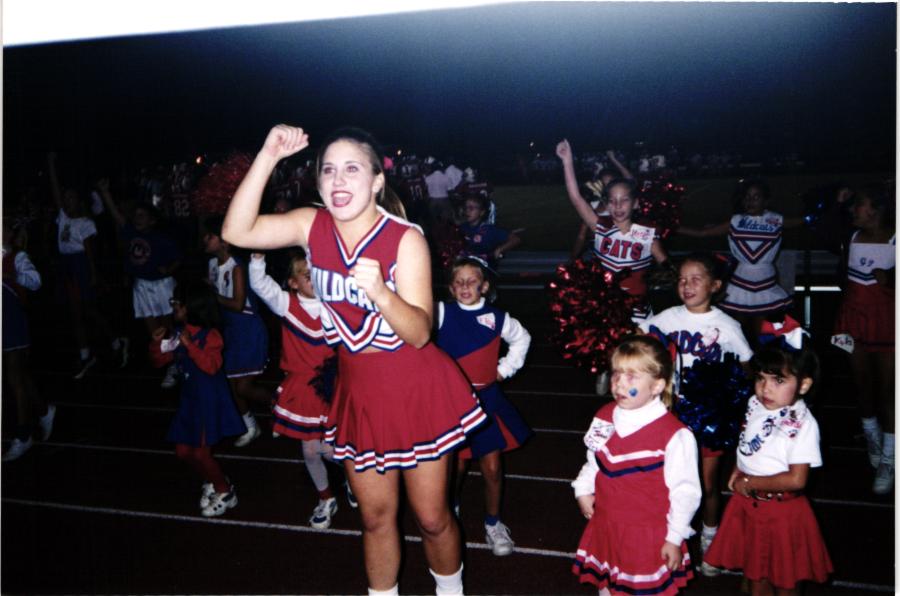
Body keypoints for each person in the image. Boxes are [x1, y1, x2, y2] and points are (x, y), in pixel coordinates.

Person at [222, 124, 487, 595]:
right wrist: (268, 155)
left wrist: (381, 293)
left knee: (431, 518)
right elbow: (236, 231)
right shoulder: (312, 225)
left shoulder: (405, 238)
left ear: (377, 181)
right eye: (328, 170)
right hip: (359, 392)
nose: (338, 180)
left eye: (351, 169)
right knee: (375, 518)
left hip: (415, 389)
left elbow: (420, 332)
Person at [639, 253, 754, 575]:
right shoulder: (667, 318)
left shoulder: (727, 325)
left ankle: (710, 538)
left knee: (706, 483)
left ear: (715, 286)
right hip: (671, 413)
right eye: (681, 280)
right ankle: (669, 536)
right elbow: (641, 343)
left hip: (710, 417)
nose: (686, 285)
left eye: (695, 279)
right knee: (667, 480)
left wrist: (729, 394)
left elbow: (747, 366)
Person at [704, 323, 833, 594]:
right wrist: (738, 468)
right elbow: (748, 439)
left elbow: (797, 479)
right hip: (749, 503)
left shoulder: (803, 423)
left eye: (778, 381)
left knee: (786, 581)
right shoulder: (756, 403)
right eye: (760, 378)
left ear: (804, 385)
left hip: (781, 513)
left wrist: (750, 482)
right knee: (755, 577)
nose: (765, 389)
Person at [571, 335, 701, 595]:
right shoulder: (604, 416)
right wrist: (583, 488)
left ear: (657, 385)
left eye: (632, 376)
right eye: (616, 373)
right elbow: (594, 459)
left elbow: (686, 492)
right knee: (607, 587)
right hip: (608, 525)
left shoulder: (675, 435)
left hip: (646, 535)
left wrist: (674, 537)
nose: (619, 383)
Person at [249, 250, 357, 529]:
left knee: (333, 450)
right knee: (310, 451)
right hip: (303, 388)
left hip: (334, 385)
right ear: (293, 283)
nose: (315, 280)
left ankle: (353, 478)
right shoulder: (286, 303)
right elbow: (260, 285)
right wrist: (257, 259)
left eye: (317, 274)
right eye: (307, 275)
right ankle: (326, 498)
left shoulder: (335, 303)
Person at [436, 256, 532, 557]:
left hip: (487, 400)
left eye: (472, 281)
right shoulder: (441, 312)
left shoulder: (497, 317)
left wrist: (504, 369)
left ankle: (493, 523)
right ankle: (451, 507)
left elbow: (522, 338)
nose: (465, 286)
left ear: (485, 286)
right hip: (453, 403)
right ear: (451, 288)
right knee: (456, 465)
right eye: (459, 282)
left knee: (492, 467)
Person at [149, 281, 245, 517]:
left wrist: (190, 346)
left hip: (208, 402)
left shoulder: (211, 336)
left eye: (177, 303)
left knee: (202, 453)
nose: (173, 306)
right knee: (183, 451)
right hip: (190, 401)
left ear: (192, 307)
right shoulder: (180, 332)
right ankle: (211, 480)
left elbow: (211, 366)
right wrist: (156, 343)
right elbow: (160, 361)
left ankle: (225, 492)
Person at [677, 178, 801, 347]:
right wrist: (672, 227)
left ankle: (759, 361)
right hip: (741, 281)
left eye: (756, 197)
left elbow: (802, 221)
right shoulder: (735, 221)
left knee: (761, 335)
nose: (750, 201)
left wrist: (821, 213)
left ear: (766, 201)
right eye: (747, 197)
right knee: (736, 332)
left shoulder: (775, 219)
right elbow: (702, 233)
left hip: (765, 282)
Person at [830, 183, 895, 494]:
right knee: (862, 386)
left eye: (860, 204)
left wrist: (892, 278)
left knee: (889, 392)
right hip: (852, 322)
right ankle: (872, 438)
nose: (855, 210)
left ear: (877, 209)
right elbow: (827, 232)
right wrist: (838, 204)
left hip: (887, 323)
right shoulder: (852, 236)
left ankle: (890, 457)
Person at [47, 152, 126, 378]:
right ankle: (85, 354)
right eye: (65, 198)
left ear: (79, 201)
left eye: (71, 198)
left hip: (80, 264)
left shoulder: (85, 222)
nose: (66, 201)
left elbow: (90, 252)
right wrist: (51, 165)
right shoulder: (63, 217)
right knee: (75, 313)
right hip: (67, 265)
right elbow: (55, 190)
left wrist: (92, 274)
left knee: (89, 310)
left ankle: (115, 341)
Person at [96, 178, 182, 377]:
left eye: (142, 215)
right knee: (154, 332)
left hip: (162, 285)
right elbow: (116, 216)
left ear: (152, 220)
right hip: (142, 286)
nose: (137, 218)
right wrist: (105, 193)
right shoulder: (130, 233)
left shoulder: (161, 238)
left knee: (168, 326)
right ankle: (165, 363)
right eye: (135, 215)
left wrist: (168, 270)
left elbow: (178, 259)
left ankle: (175, 364)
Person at [203, 216, 270, 447]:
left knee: (244, 386)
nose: (205, 239)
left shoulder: (237, 267)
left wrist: (211, 296)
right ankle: (251, 427)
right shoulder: (212, 265)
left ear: (224, 242)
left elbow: (238, 304)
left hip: (248, 328)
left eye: (210, 236)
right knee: (232, 384)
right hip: (230, 329)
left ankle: (281, 407)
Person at [2, 221, 55, 461]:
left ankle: (23, 435)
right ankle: (44, 410)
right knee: (19, 375)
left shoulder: (18, 257)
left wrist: (12, 275)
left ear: (10, 234)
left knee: (14, 376)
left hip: (12, 320)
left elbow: (36, 281)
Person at [569, 150, 634, 261]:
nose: (607, 187)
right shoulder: (593, 206)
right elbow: (581, 235)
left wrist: (613, 159)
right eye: (603, 183)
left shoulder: (622, 206)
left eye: (611, 183)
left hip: (624, 255)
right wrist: (573, 259)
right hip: (600, 258)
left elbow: (631, 181)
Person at [458, 194, 522, 270]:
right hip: (464, 268)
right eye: (466, 208)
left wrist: (499, 249)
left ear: (481, 212)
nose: (467, 211)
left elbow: (515, 239)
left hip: (484, 269)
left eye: (471, 208)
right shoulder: (461, 228)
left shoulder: (489, 230)